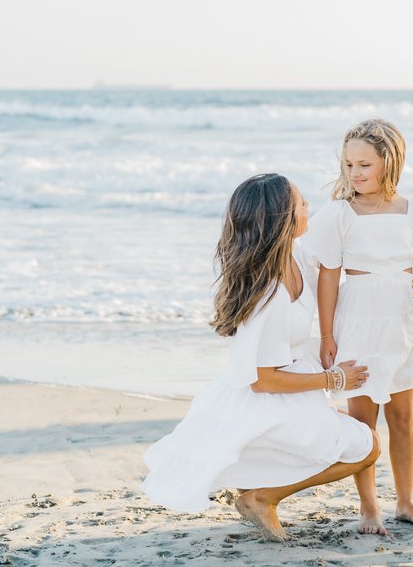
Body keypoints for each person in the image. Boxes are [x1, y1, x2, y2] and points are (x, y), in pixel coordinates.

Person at [142, 173, 380, 542]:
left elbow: (338, 280)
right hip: (270, 395)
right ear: (283, 220)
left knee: (340, 436)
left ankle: (253, 492)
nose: (308, 209)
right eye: (302, 205)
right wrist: (335, 380)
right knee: (367, 446)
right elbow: (262, 379)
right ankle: (262, 498)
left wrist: (398, 287)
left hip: (290, 392)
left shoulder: (296, 253)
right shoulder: (267, 295)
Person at [303, 118, 413, 536]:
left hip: (401, 323)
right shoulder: (340, 213)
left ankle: (405, 501)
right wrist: (325, 335)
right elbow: (327, 278)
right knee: (362, 423)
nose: (355, 173)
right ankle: (369, 507)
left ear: (389, 164)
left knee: (404, 418)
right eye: (349, 164)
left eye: (365, 165)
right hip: (356, 322)